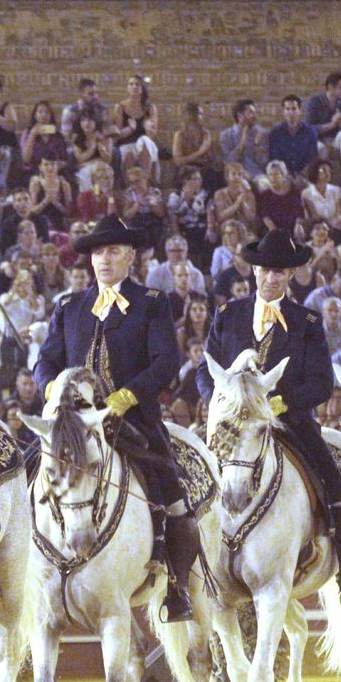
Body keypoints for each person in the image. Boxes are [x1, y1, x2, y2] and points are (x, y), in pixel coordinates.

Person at [34, 215, 200, 623]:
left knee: (171, 493)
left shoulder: (152, 302)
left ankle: (176, 585)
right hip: (72, 426)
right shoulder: (70, 306)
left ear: (130, 257)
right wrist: (52, 388)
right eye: (97, 253)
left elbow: (165, 362)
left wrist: (127, 396)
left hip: (133, 420)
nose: (104, 260)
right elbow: (45, 361)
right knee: (25, 475)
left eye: (112, 251)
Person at [197, 229, 341, 608]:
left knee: (337, 488)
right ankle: (187, 575)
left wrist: (280, 405)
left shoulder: (306, 321)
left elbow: (322, 383)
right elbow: (203, 372)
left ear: (290, 276)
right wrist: (220, 404)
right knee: (190, 486)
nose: (271, 277)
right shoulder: (228, 314)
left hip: (290, 424)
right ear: (254, 272)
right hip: (232, 428)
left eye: (280, 272)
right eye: (265, 270)